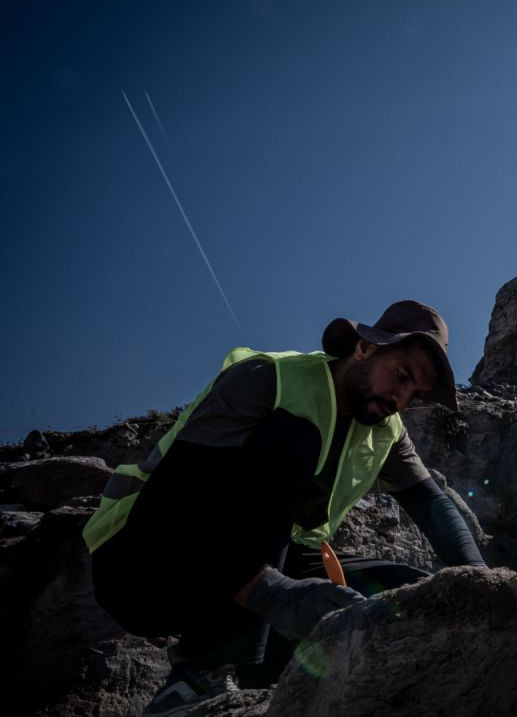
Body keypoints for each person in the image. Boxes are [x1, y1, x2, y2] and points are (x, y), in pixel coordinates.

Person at [83, 300, 486, 714]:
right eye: (400, 376)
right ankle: (199, 672)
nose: (401, 398)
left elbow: (432, 505)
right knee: (295, 439)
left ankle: (268, 684)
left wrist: (480, 584)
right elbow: (175, 502)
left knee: (404, 595)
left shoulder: (386, 429)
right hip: (146, 558)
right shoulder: (267, 379)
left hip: (261, 565)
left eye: (414, 392)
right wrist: (271, 592)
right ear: (364, 348)